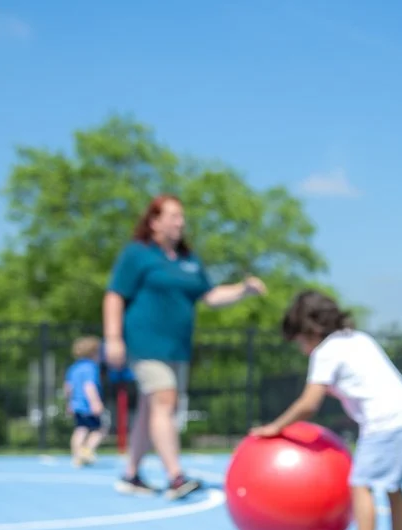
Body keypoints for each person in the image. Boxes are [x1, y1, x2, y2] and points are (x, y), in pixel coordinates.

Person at [103, 194, 265, 499]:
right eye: (174, 216)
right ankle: (175, 476)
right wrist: (113, 338)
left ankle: (131, 474)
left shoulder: (189, 261)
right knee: (164, 400)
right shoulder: (138, 254)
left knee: (153, 409)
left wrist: (244, 290)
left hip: (177, 348)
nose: (181, 222)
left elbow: (212, 295)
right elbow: (114, 295)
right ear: (154, 221)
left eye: (182, 217)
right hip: (145, 344)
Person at [252, 290, 402, 530]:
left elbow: (309, 404)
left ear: (310, 329)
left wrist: (275, 427)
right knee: (394, 486)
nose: (301, 348)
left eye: (299, 339)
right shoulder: (357, 339)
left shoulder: (326, 352)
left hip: (384, 422)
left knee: (361, 485)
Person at [63, 335, 106, 467]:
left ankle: (77, 456)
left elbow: (68, 388)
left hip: (76, 404)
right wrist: (95, 402)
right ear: (94, 353)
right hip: (87, 405)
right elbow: (89, 386)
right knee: (100, 430)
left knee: (80, 429)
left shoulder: (73, 368)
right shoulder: (91, 367)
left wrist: (69, 403)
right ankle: (86, 450)